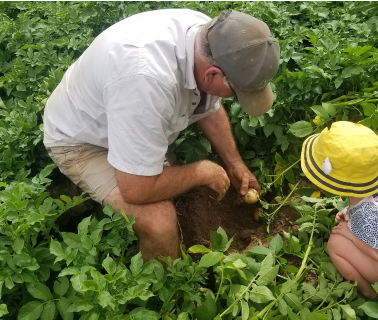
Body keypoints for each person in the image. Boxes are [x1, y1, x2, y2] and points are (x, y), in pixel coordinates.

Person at [42, 9, 280, 261]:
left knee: (183, 190)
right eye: (236, 92)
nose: (232, 98)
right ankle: (159, 296)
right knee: (160, 221)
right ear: (213, 75)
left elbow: (210, 104)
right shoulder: (145, 81)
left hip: (127, 114)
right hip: (83, 142)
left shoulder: (211, 37)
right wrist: (202, 171)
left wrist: (234, 163)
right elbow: (137, 189)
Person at [301, 121, 378, 299]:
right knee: (348, 232)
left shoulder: (366, 214)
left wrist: (350, 235)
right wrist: (349, 212)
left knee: (335, 243)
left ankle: (369, 292)